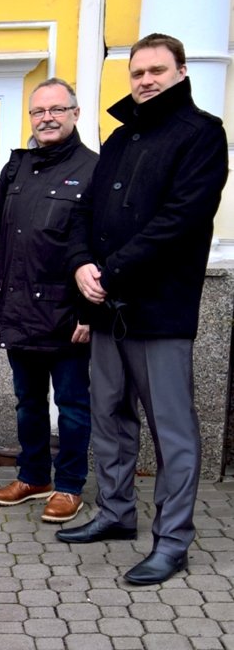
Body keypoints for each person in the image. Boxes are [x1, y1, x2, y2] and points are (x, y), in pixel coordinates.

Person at [58, 34, 229, 586]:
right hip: (107, 308)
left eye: (157, 70)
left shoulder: (203, 134)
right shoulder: (121, 136)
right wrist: (83, 263)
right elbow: (85, 211)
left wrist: (112, 271)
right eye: (138, 73)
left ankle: (173, 541)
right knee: (110, 418)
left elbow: (181, 219)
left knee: (172, 430)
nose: (146, 80)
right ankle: (115, 513)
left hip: (160, 309)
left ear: (180, 73)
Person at [0, 78, 97, 523]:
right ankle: (34, 477)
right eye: (38, 112)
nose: (46, 118)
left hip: (69, 316)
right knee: (27, 402)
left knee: (71, 405)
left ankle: (69, 485)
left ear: (74, 113)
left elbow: (100, 249)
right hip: (18, 312)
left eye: (56, 109)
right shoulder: (15, 169)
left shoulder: (96, 169)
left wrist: (91, 311)